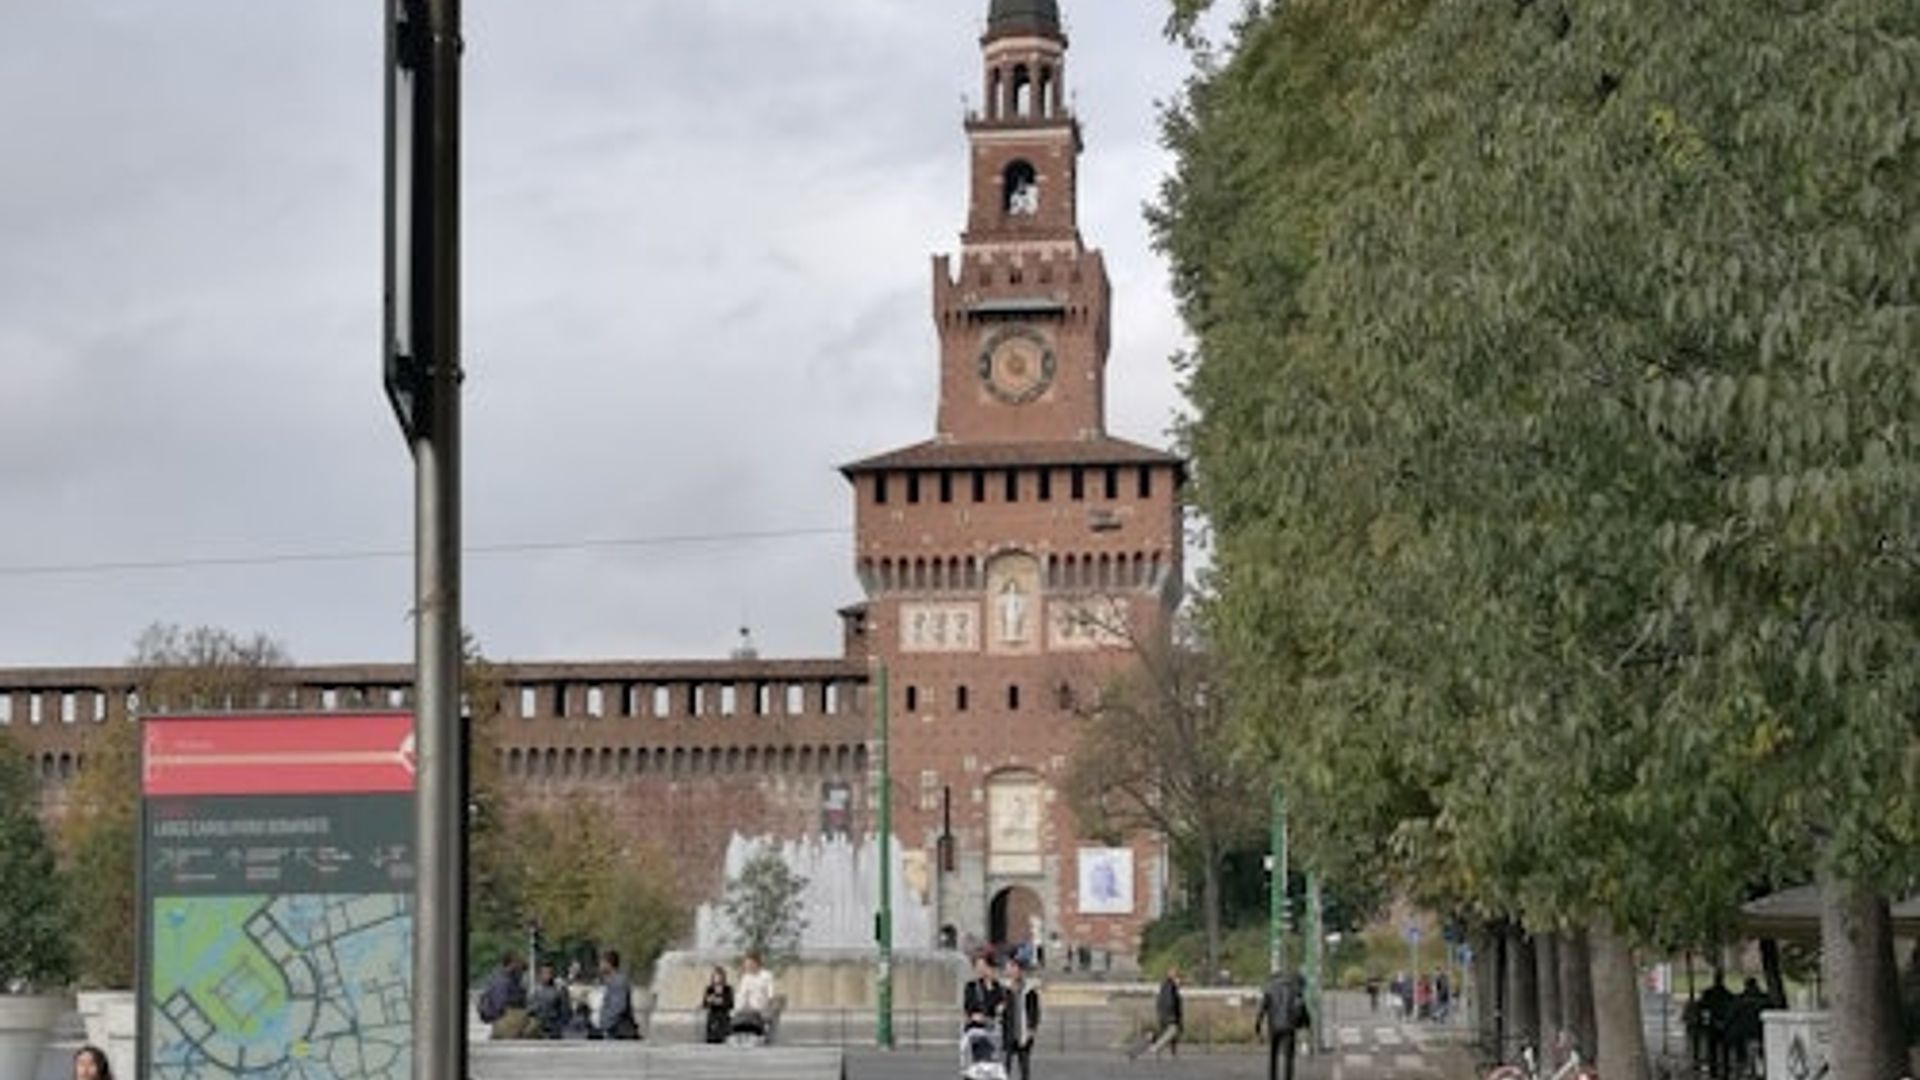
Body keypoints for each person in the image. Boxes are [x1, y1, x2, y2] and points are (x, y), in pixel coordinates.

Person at [1256, 970, 1310, 1080]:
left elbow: (1262, 1008)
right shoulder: (1295, 989)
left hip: (1274, 1026)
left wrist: (1258, 1025)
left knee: (1273, 1055)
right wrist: (1307, 1023)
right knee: (1289, 1058)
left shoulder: (1270, 988)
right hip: (1289, 1026)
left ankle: (1272, 1077)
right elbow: (1301, 1007)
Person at [477, 950, 532, 1040]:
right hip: (506, 1026)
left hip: (506, 1025)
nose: (522, 973)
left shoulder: (507, 979)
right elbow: (500, 1006)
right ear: (512, 964)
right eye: (521, 968)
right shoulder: (502, 981)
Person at [1132, 964, 1182, 1060]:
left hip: (1165, 1015)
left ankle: (1135, 1051)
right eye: (1177, 977)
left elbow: (1162, 1002)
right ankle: (1155, 1048)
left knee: (1161, 1035)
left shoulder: (1168, 986)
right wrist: (1171, 1016)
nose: (1180, 980)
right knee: (1172, 1031)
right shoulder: (1170, 986)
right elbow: (1168, 1002)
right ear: (1172, 976)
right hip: (1168, 1016)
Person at [1002, 958, 1041, 1080]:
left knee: (1024, 1066)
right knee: (1005, 1066)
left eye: (1013, 968)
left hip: (1024, 1032)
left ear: (1020, 970)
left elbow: (1035, 1011)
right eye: (1009, 968)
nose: (1011, 971)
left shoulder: (1029, 991)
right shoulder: (1004, 990)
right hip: (1008, 1032)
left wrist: (1032, 1028)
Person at [734, 950, 778, 1040]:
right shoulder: (745, 977)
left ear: (756, 963)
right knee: (739, 1016)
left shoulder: (766, 975)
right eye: (746, 964)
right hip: (748, 1009)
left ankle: (759, 1033)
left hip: (762, 1008)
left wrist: (767, 1007)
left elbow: (771, 995)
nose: (747, 966)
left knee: (756, 1016)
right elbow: (741, 995)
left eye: (749, 964)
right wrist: (739, 1008)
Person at [597, 949, 639, 1040]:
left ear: (608, 964)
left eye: (601, 963)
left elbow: (618, 1007)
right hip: (614, 1030)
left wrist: (605, 1024)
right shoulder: (611, 981)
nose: (599, 966)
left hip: (620, 1031)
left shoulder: (618, 981)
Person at [528, 962, 567, 1039]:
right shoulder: (535, 991)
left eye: (549, 973)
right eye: (544, 973)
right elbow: (529, 1010)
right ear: (540, 974)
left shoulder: (559, 990)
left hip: (554, 1030)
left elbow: (565, 1011)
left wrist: (559, 1026)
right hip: (538, 1030)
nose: (547, 976)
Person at [703, 965, 736, 1045]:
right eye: (716, 976)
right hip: (713, 1017)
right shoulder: (709, 989)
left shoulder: (728, 989)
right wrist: (711, 1001)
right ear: (713, 977)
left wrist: (718, 1001)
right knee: (712, 1039)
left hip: (724, 1017)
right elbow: (705, 1004)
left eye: (720, 976)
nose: (718, 979)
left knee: (725, 1039)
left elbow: (731, 1003)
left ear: (723, 977)